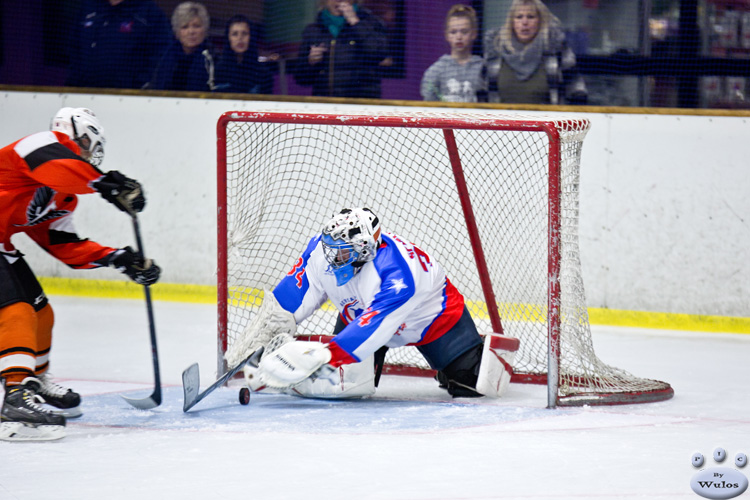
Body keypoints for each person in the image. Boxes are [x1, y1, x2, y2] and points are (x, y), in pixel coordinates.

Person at [234, 208, 518, 400]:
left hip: (431, 320)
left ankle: (476, 353)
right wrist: (260, 336)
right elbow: (289, 302)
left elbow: (377, 328)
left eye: (342, 254)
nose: (332, 260)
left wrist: (323, 354)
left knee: (469, 383)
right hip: (360, 313)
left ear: (363, 250)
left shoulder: (398, 274)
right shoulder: (320, 252)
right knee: (344, 387)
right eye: (330, 250)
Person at [0, 107, 161, 441]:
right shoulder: (39, 144)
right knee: (16, 310)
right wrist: (104, 183)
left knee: (41, 314)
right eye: (89, 144)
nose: (91, 153)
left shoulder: (64, 195)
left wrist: (118, 259)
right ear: (79, 134)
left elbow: (63, 245)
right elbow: (56, 167)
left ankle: (36, 381)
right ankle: (16, 398)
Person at [483, 0, 587, 105]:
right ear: (512, 22)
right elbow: (482, 90)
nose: (524, 22)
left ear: (540, 21)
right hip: (502, 120)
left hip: (548, 119)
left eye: (531, 17)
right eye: (519, 17)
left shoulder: (556, 48)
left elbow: (576, 87)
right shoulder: (495, 49)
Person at [66, 0, 172, 90]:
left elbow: (161, 54)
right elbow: (73, 49)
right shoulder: (88, 8)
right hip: (83, 94)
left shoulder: (149, 13)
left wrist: (141, 84)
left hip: (128, 97)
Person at [293, 0, 389, 98]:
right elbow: (301, 79)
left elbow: (379, 53)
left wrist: (355, 22)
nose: (339, 0)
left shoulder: (371, 23)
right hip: (325, 103)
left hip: (361, 102)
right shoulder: (313, 30)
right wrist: (311, 63)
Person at [420, 5, 486, 103]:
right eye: (453, 32)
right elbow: (429, 103)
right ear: (447, 35)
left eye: (464, 32)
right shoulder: (435, 71)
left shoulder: (484, 68)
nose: (459, 37)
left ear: (474, 34)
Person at [146, 2, 215, 92]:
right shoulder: (165, 58)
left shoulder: (213, 59)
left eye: (196, 26)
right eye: (185, 27)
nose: (191, 31)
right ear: (177, 32)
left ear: (205, 29)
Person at [213, 15, 274, 95]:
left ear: (251, 37)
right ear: (228, 38)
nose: (240, 38)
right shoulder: (217, 71)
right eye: (235, 34)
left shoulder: (263, 73)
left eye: (244, 33)